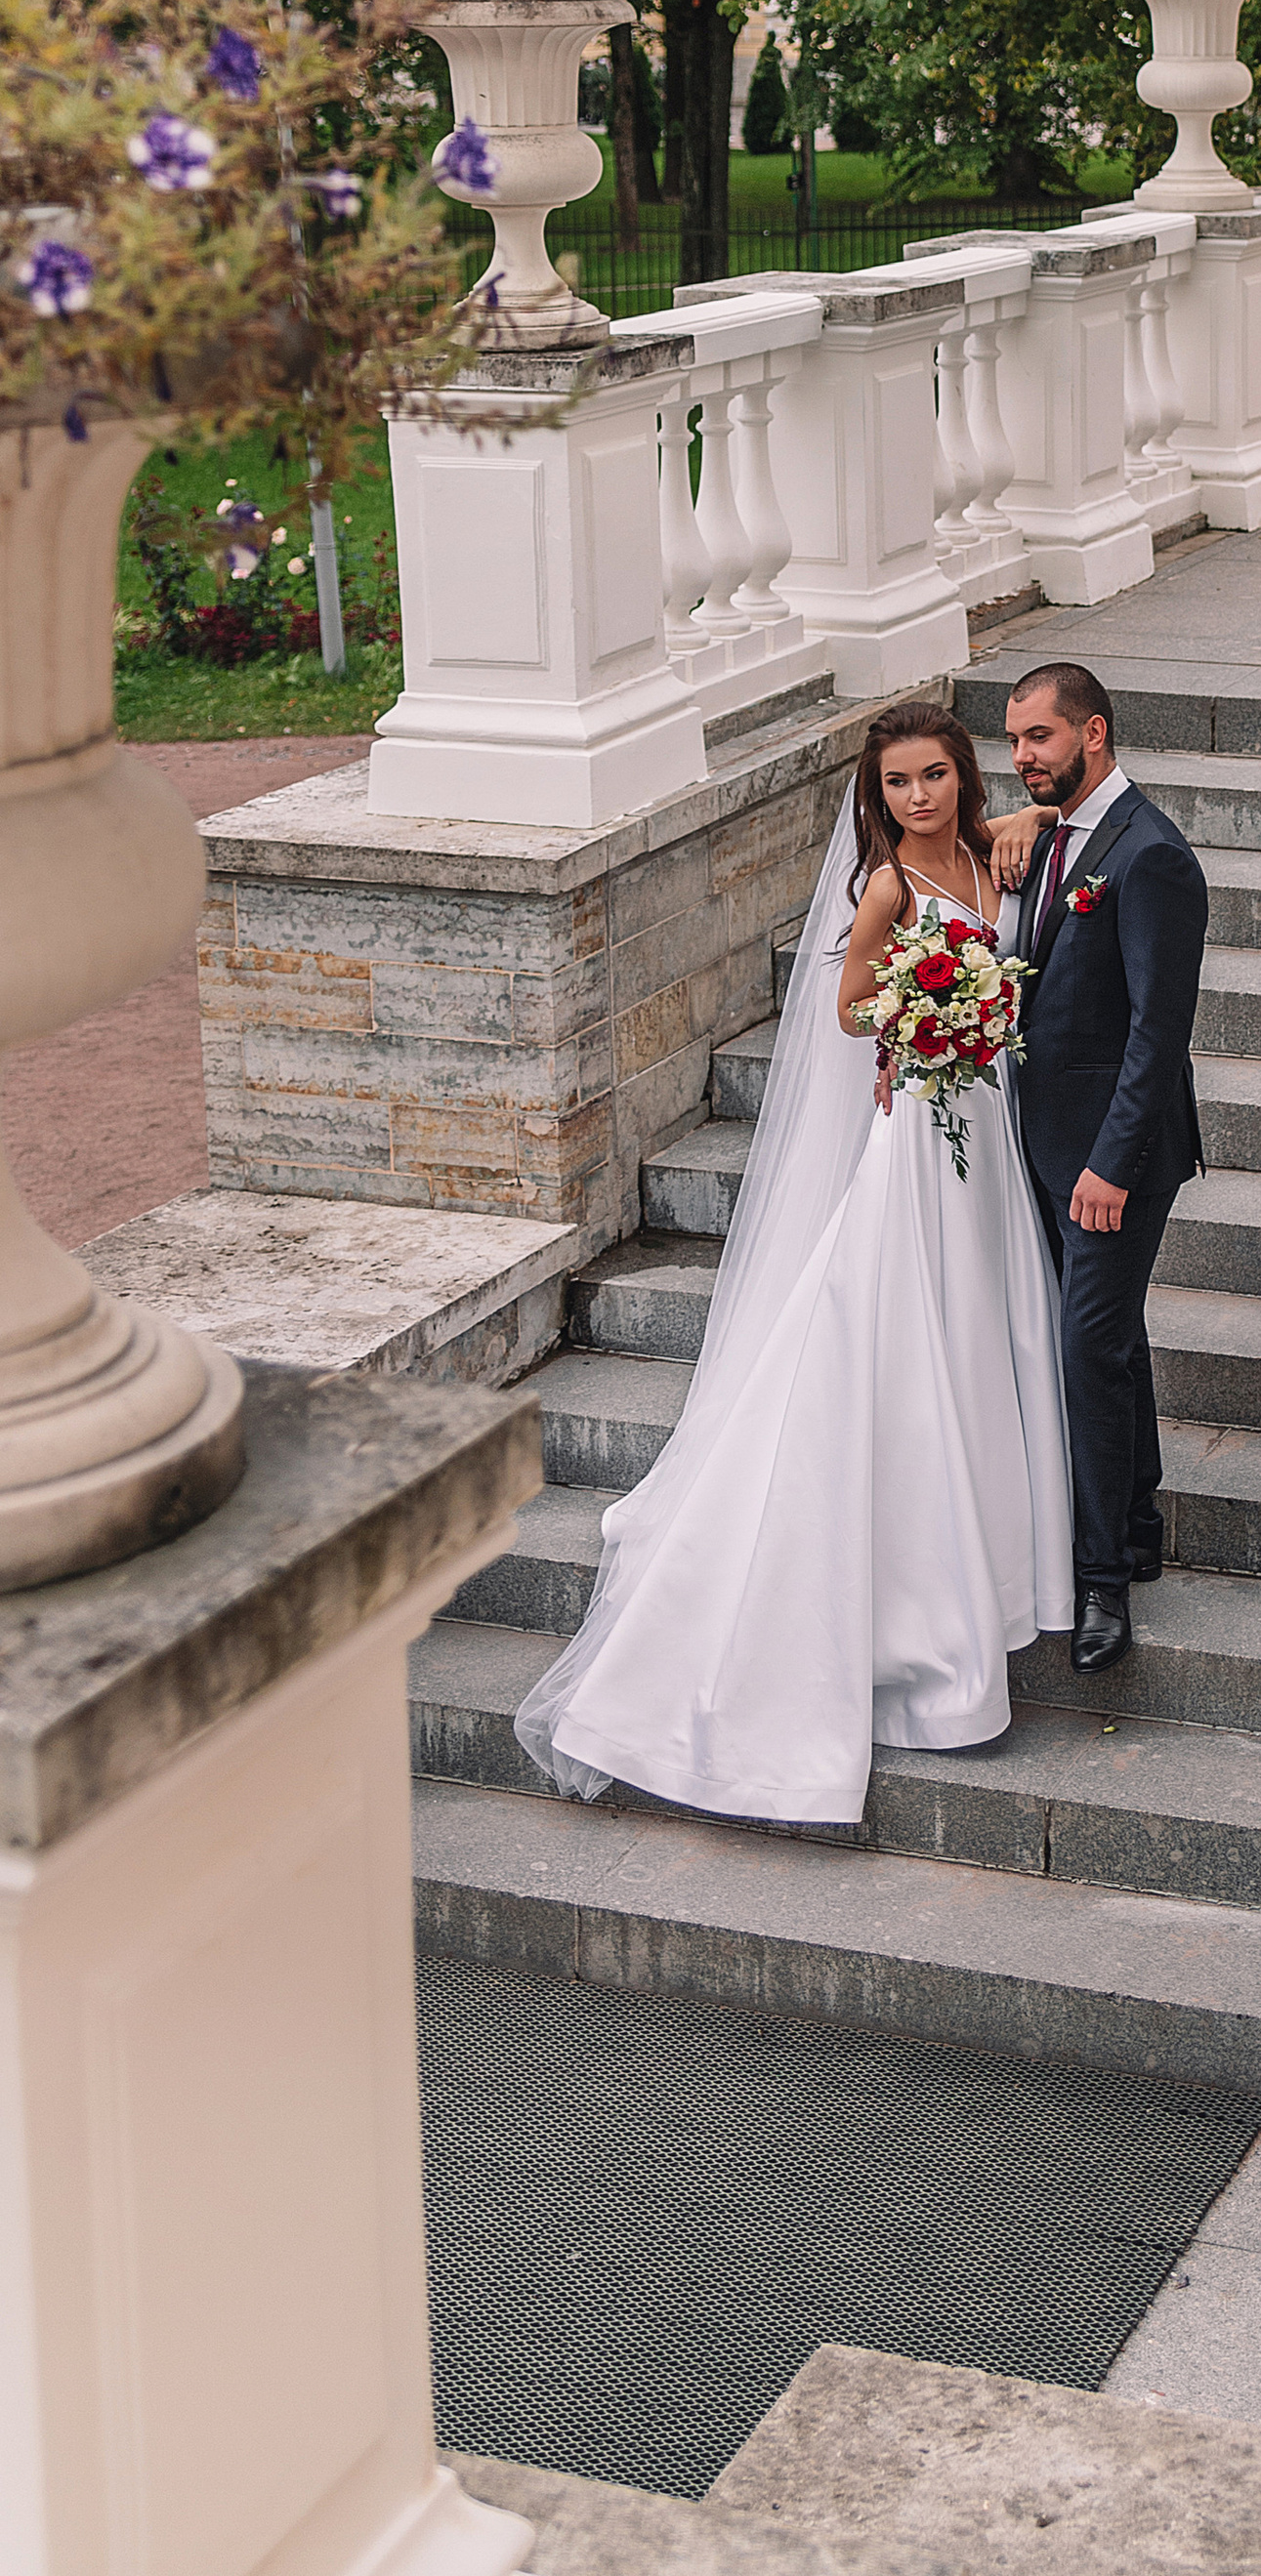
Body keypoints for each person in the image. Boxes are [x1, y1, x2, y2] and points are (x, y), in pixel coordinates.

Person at [514, 706, 1071, 1827]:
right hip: (917, 1126)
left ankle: (999, 1569)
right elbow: (847, 1006)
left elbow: (1056, 820)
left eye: (934, 775)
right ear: (877, 794)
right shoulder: (887, 888)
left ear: (963, 777)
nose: (918, 796)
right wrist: (927, 1009)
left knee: (985, 1323)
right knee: (899, 1325)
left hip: (984, 1129)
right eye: (898, 782)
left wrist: (1028, 818)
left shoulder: (988, 852)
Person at [999, 660, 1208, 1680]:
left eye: (1038, 737)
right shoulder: (1059, 835)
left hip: (1112, 1160)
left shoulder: (1151, 855)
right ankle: (1134, 1524)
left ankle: (1101, 1585)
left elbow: (1158, 1033)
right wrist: (1024, 816)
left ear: (1094, 732)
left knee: (1085, 1349)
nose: (1021, 757)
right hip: (1047, 1144)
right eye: (1013, 741)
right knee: (1108, 1338)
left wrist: (1111, 1168)